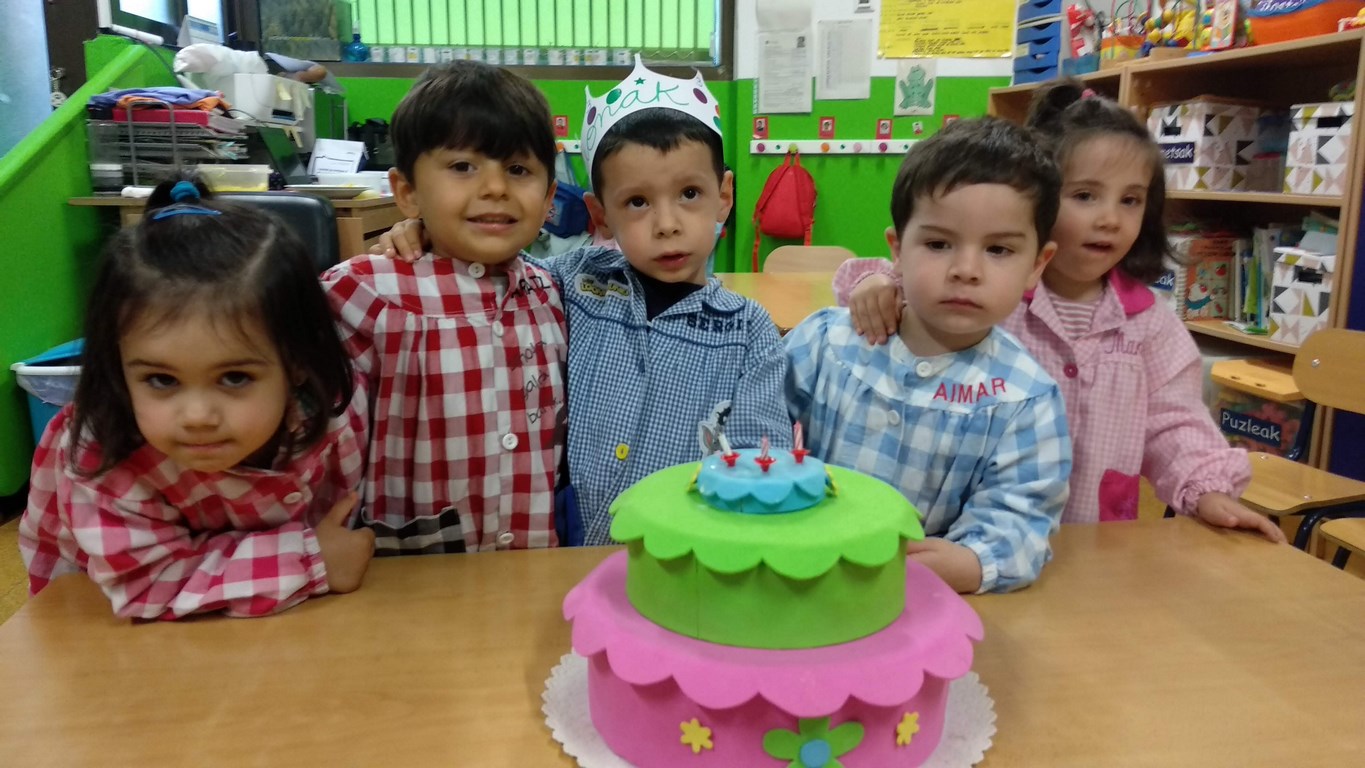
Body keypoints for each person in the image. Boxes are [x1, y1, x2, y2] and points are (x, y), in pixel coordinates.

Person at [835, 82, 1285, 544]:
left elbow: (1174, 421)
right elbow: (908, 284)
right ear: (1038, 203)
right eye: (1085, 195)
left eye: (1130, 200)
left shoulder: (1149, 324)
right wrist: (876, 284)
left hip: (1089, 541)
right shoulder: (991, 297)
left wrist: (1208, 491)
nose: (1110, 218)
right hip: (978, 536)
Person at [375, 57, 791, 546]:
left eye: (690, 193)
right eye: (637, 202)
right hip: (571, 554)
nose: (667, 224)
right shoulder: (572, 282)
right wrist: (426, 230)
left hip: (689, 555)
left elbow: (759, 459)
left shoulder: (748, 330)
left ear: (724, 196)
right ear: (600, 214)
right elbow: (493, 269)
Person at [19, 178, 373, 620]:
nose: (197, 416)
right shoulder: (103, 451)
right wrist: (312, 560)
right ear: (117, 363)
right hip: (104, 623)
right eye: (161, 380)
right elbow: (148, 584)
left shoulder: (328, 407)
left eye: (235, 377)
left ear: (298, 361)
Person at [787, 118, 1072, 594]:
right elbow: (752, 423)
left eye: (999, 249)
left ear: (1036, 265)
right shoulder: (827, 342)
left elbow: (1021, 520)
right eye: (938, 244)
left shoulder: (1025, 398)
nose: (966, 270)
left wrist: (973, 561)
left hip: (921, 601)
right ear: (897, 251)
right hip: (800, 579)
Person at [320, 60, 568, 554]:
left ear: (548, 200)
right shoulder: (364, 294)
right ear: (407, 192)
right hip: (410, 576)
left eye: (518, 169)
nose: (495, 188)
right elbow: (323, 451)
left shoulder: (553, 294)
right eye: (462, 167)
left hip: (537, 569)